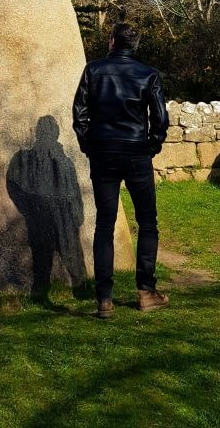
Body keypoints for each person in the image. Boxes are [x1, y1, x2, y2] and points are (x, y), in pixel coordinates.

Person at [72, 23, 169, 318]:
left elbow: (80, 113)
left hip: (103, 153)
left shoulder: (93, 70)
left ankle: (104, 299)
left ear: (112, 41)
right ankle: (146, 291)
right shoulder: (148, 74)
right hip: (136, 152)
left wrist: (90, 144)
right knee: (147, 222)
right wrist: (151, 145)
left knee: (105, 223)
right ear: (134, 45)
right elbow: (160, 117)